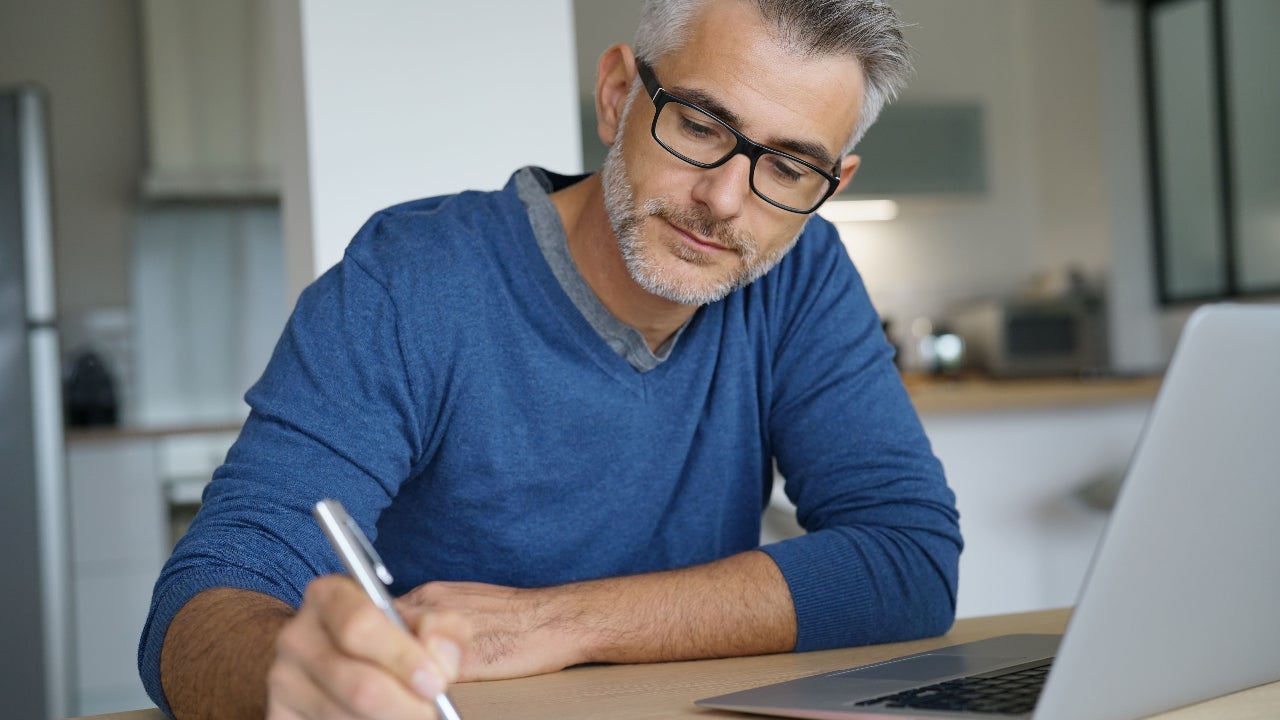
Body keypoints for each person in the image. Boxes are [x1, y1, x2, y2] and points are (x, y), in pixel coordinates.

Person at [139, 1, 963, 718]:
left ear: (834, 182)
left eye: (788, 167)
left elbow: (910, 557)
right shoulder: (411, 279)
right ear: (617, 96)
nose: (723, 201)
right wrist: (289, 684)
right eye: (701, 126)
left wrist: (559, 621)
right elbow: (208, 593)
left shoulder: (801, 276)